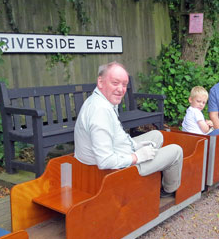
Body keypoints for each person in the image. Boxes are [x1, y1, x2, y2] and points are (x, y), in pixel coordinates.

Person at [74, 62, 183, 197]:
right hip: (111, 172)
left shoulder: (100, 100)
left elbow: (115, 137)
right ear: (100, 82)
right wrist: (137, 157)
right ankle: (167, 191)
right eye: (115, 83)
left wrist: (134, 145)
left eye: (124, 85)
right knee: (176, 151)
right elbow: (105, 161)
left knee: (157, 135)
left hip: (117, 154)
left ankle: (149, 175)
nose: (121, 89)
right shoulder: (100, 111)